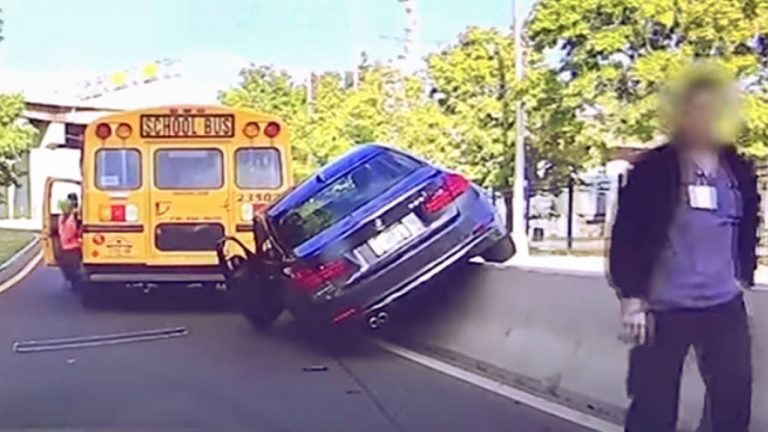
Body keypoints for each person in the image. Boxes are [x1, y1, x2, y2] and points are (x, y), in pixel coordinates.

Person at [609, 74, 757, 432]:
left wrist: (743, 272)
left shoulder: (737, 168)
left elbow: (749, 221)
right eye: (696, 110)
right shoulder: (652, 169)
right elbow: (627, 234)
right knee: (653, 407)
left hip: (724, 304)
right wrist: (632, 297)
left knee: (733, 399)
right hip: (665, 305)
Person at [58, 193, 83, 289]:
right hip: (72, 245)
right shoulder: (73, 216)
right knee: (72, 269)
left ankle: (74, 282)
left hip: (69, 246)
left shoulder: (67, 216)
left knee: (70, 269)